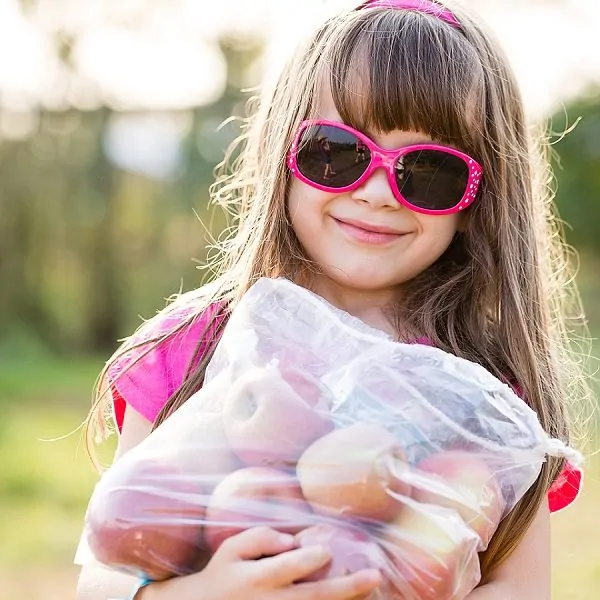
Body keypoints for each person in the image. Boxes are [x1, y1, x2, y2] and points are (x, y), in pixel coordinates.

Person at [75, 1, 590, 598]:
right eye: (336, 153)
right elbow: (105, 571)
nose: (376, 192)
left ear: (480, 198)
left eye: (429, 172)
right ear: (281, 153)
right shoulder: (197, 348)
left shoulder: (480, 396)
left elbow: (521, 588)